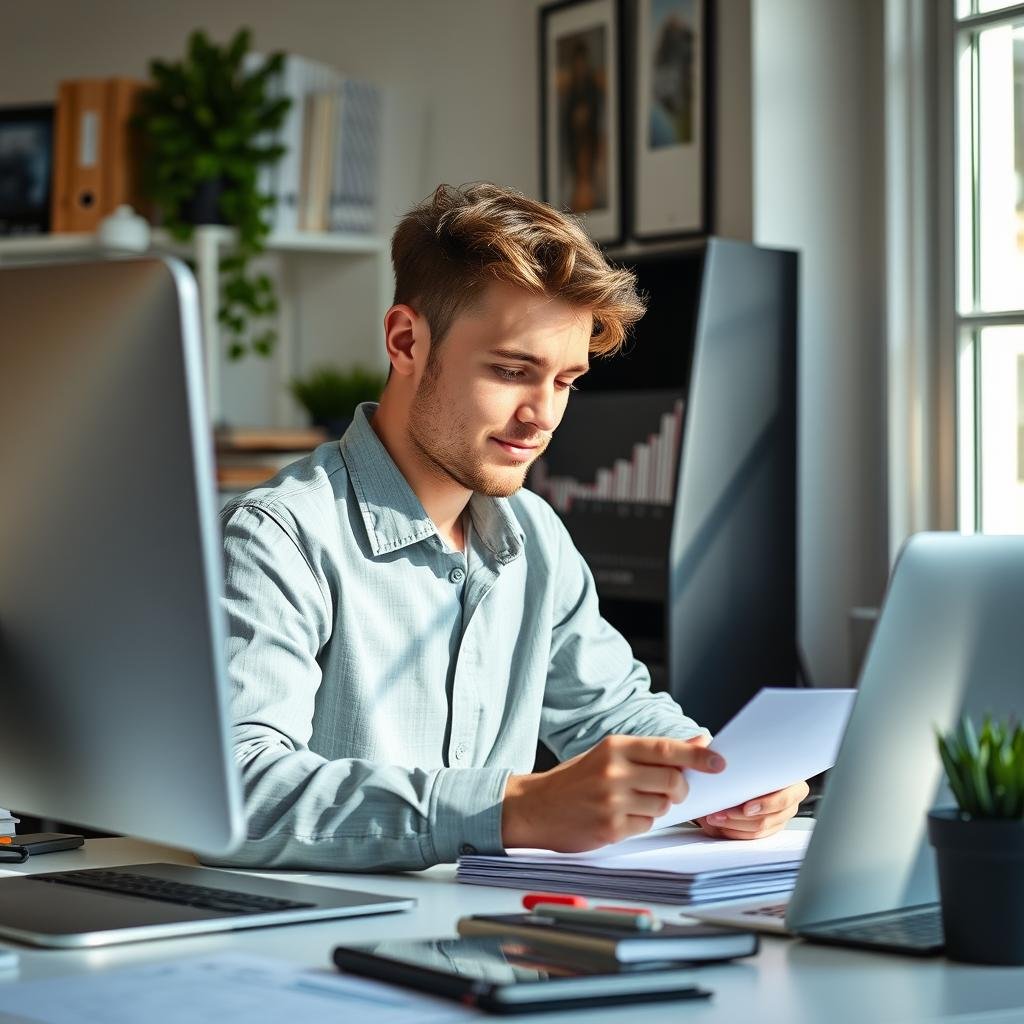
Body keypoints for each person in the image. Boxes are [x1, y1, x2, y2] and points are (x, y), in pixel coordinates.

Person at [214, 182, 808, 872]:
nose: (542, 416)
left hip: (486, 937)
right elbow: (242, 791)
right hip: (320, 947)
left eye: (564, 382)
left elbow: (612, 709)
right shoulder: (275, 538)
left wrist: (723, 777)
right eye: (511, 371)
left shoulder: (536, 537)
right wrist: (512, 809)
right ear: (406, 341)